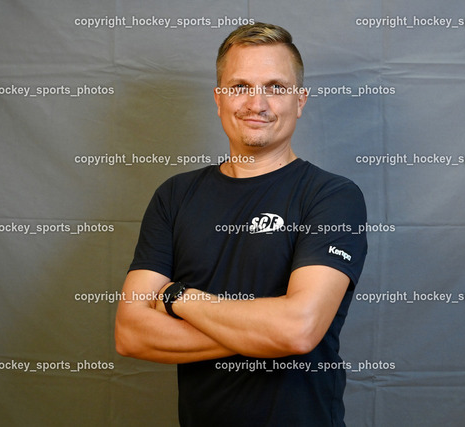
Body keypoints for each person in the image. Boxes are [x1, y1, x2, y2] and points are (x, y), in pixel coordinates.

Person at [115, 22, 368, 427]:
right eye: (240, 86)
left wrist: (176, 297)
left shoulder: (332, 197)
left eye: (275, 86)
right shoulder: (174, 197)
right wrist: (262, 333)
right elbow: (131, 333)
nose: (257, 103)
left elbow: (298, 330)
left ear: (300, 100)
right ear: (219, 99)